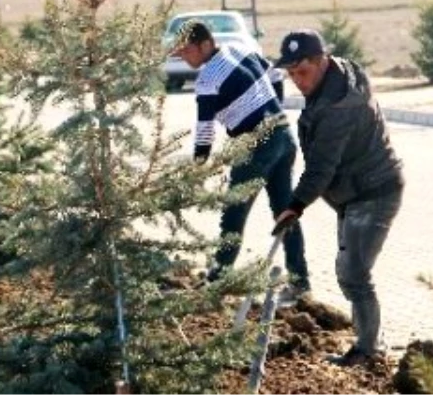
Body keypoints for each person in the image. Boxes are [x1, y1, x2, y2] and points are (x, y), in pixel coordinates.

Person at [272, 29, 405, 367]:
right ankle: (370, 341)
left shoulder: (338, 107)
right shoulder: (335, 78)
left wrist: (295, 205)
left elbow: (321, 170)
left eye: (302, 72)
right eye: (291, 74)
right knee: (348, 271)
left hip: (373, 192)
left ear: (322, 61)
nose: (297, 82)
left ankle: (368, 351)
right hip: (355, 193)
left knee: (354, 274)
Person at [171, 20, 310, 303]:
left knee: (233, 215)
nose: (185, 58)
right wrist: (273, 111)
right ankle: (300, 282)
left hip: (255, 146)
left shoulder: (207, 79)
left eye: (187, 51)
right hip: (283, 135)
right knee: (285, 212)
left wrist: (198, 166)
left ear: (206, 45)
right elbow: (275, 76)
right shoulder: (239, 50)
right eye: (180, 54)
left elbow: (205, 128)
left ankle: (218, 282)